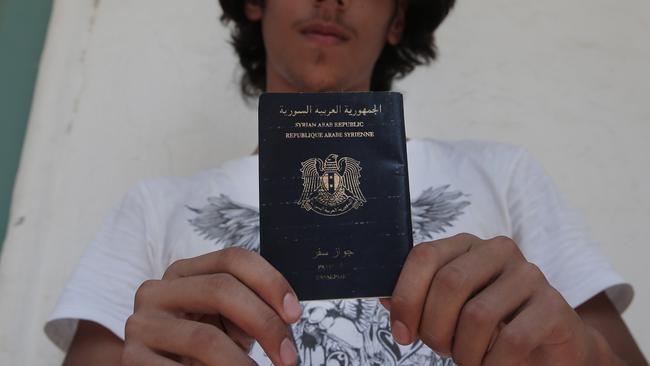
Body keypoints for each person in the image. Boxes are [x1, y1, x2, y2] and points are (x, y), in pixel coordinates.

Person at [46, 0, 647, 365]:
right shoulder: (154, 207)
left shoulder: (503, 173)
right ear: (254, 2)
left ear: (397, 19)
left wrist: (577, 355)